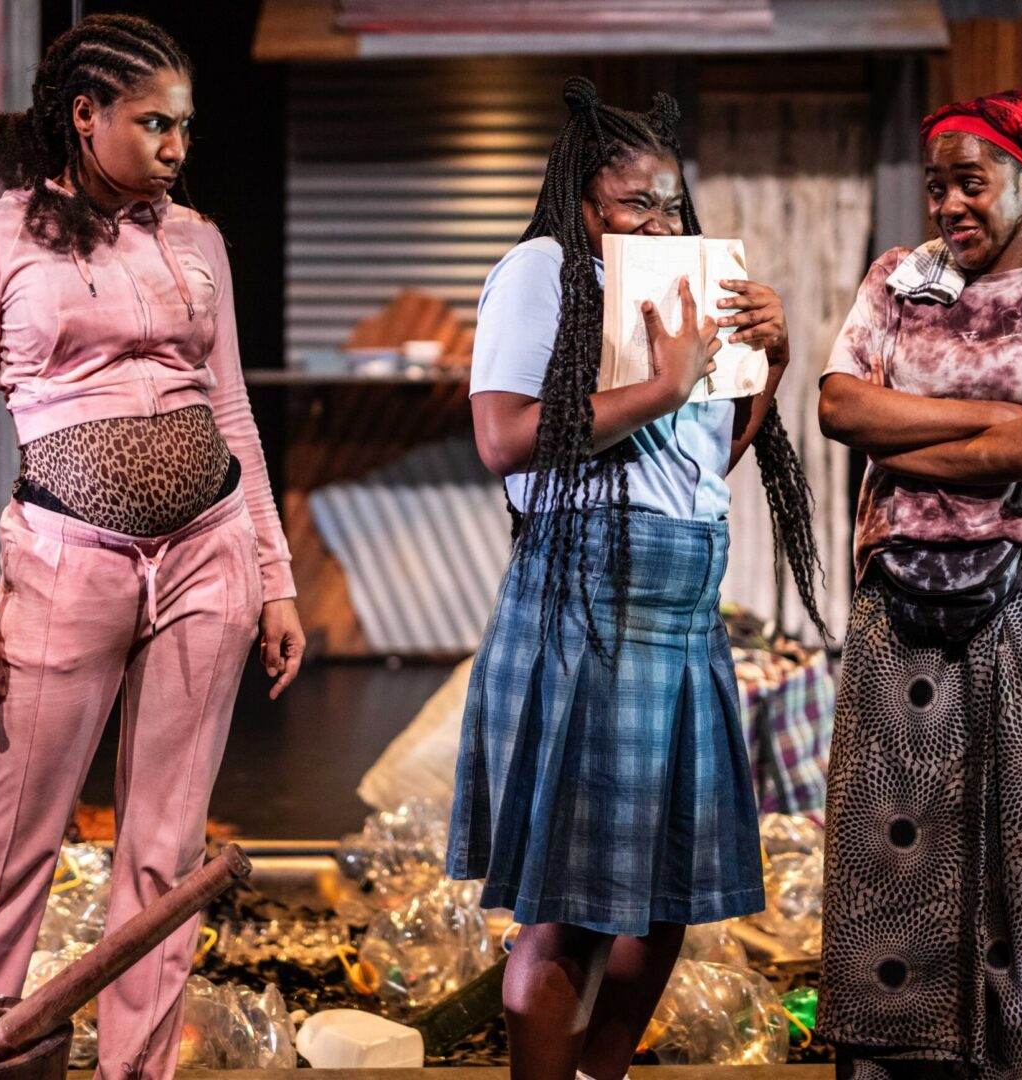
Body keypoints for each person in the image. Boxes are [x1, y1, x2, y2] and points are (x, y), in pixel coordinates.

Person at [0, 15, 304, 1079]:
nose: (177, 146)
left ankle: (137, 1072)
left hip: (210, 555)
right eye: (154, 123)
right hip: (65, 560)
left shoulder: (197, 239)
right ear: (85, 116)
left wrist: (275, 576)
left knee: (166, 855)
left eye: (186, 126)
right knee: (6, 849)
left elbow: (232, 410)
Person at [446, 76, 826, 1080]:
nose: (660, 222)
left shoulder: (681, 286)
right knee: (569, 909)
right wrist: (660, 385)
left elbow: (704, 468)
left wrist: (773, 362)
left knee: (668, 902)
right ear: (583, 203)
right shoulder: (542, 272)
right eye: (634, 204)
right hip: (591, 601)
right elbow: (502, 439)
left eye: (670, 203)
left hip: (682, 603)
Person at [815, 89, 1022, 1079]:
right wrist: (993, 419)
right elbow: (840, 409)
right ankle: (885, 1062)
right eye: (937, 185)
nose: (951, 204)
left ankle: (997, 1065)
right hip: (896, 599)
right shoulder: (899, 279)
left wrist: (907, 432)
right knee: (884, 850)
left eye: (973, 182)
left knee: (1015, 851)